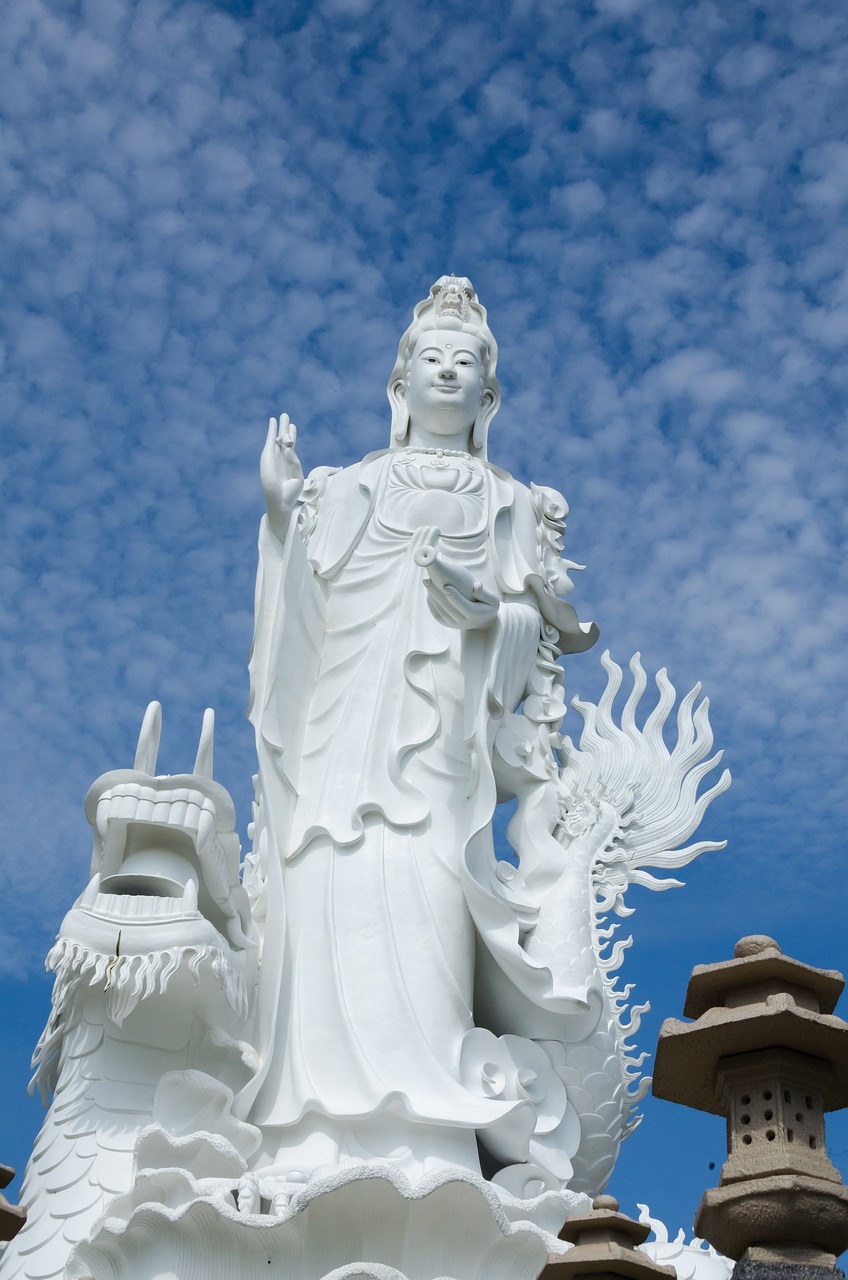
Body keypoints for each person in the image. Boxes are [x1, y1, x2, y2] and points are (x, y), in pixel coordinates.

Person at [239, 277, 597, 1187]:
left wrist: (488, 617)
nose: (446, 371)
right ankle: (312, 1127)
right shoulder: (352, 483)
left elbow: (535, 634)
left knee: (425, 882)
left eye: (464, 362)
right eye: (430, 359)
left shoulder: (508, 501)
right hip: (342, 721)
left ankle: (433, 1125)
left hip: (443, 733)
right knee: (328, 874)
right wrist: (282, 518)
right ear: (400, 386)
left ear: (488, 397)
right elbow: (306, 615)